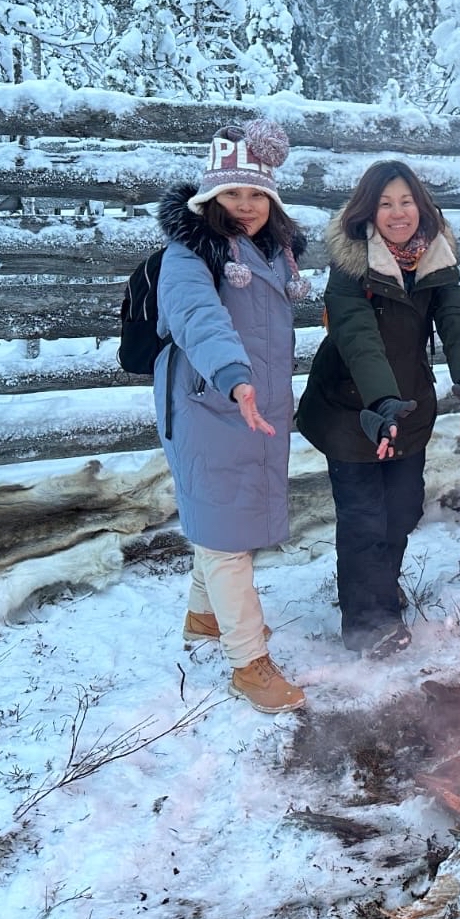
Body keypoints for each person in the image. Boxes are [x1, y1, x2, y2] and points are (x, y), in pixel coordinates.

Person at [296, 161, 460, 658]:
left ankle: (382, 588)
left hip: (409, 408)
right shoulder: (351, 263)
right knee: (363, 518)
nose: (398, 213)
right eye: (385, 203)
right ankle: (367, 620)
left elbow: (455, 320)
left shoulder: (435, 257)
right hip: (351, 408)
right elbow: (358, 339)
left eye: (406, 201)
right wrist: (381, 403)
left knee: (401, 510)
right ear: (368, 211)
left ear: (421, 206)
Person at [157, 120, 310, 714]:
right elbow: (200, 318)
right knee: (226, 537)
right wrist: (235, 378)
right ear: (209, 199)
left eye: (256, 196)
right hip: (210, 404)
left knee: (217, 516)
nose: (245, 207)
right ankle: (248, 664)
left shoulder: (272, 251)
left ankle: (203, 615)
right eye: (232, 195)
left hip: (252, 408)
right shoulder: (188, 253)